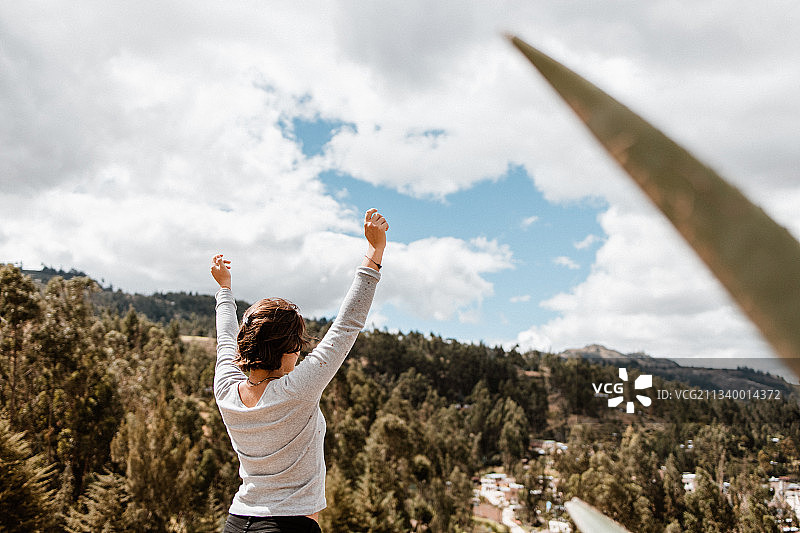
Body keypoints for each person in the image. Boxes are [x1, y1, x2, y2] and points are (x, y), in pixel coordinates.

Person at [210, 208, 389, 533]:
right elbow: (347, 325)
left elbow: (225, 337)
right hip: (287, 526)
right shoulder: (297, 390)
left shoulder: (225, 390)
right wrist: (374, 254)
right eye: (299, 344)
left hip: (236, 524)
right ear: (290, 349)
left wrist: (225, 289)